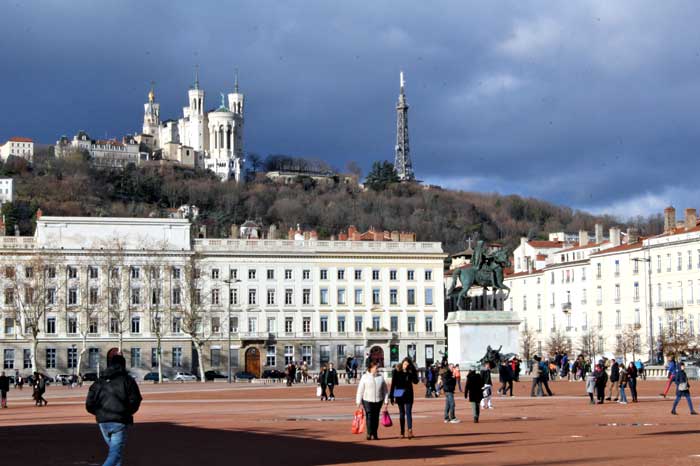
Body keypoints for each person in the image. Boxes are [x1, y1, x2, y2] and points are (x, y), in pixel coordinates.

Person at [86, 354, 142, 466]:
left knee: (116, 453)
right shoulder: (128, 380)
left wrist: (99, 413)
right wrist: (127, 412)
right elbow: (136, 399)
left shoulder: (99, 381)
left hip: (103, 421)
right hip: (119, 420)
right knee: (115, 453)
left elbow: (89, 404)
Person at [355, 361, 389, 441]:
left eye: (377, 368)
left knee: (376, 417)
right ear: (370, 368)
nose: (376, 369)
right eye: (375, 368)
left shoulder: (380, 377)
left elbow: (385, 390)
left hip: (378, 400)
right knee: (369, 416)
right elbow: (360, 390)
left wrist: (386, 401)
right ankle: (369, 433)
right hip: (367, 400)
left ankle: (375, 433)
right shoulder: (364, 377)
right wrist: (358, 401)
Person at [390, 358, 419, 439]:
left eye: (407, 364)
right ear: (402, 363)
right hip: (399, 392)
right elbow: (393, 384)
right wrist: (391, 396)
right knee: (401, 413)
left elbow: (416, 381)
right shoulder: (396, 371)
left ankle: (410, 430)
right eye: (405, 364)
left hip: (409, 393)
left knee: (408, 412)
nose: (406, 365)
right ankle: (402, 432)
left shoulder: (410, 372)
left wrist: (413, 370)